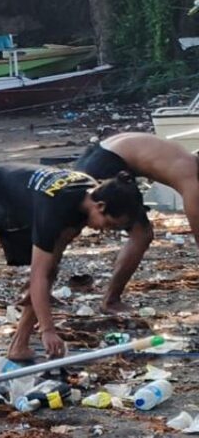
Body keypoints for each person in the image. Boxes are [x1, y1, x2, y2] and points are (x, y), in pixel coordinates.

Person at [0, 166, 144, 361]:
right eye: (109, 224)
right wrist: (47, 329)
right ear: (100, 206)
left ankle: (19, 345)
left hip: (21, 216)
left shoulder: (85, 198)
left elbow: (51, 261)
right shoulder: (56, 208)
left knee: (47, 274)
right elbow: (39, 275)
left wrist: (38, 284)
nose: (105, 230)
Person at [74, 132, 199, 313]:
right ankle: (110, 301)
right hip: (107, 165)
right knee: (142, 235)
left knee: (69, 222)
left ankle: (33, 288)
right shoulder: (189, 175)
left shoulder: (183, 157)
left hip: (96, 153)